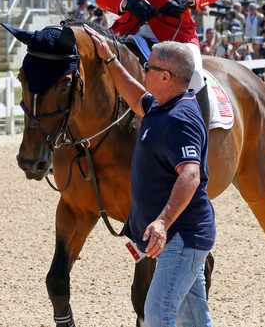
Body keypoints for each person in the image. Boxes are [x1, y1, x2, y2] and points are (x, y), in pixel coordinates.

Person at [84, 24, 215, 327]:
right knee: (194, 319)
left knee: (158, 313)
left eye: (148, 66)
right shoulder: (161, 105)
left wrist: (163, 221)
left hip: (181, 237)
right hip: (180, 238)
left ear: (166, 77)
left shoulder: (180, 117)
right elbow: (133, 96)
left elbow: (191, 174)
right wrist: (109, 59)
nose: (143, 70)